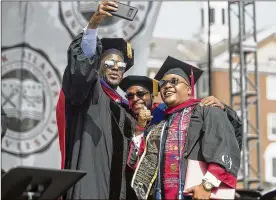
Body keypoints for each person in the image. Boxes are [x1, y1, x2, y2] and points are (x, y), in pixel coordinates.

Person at [56, 1, 137, 199]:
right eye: (109, 62)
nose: (116, 67)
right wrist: (94, 23)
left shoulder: (126, 108)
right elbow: (83, 70)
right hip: (92, 186)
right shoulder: (90, 93)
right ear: (98, 66)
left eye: (120, 64)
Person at [130, 56, 241, 200]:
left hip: (197, 194)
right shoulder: (159, 123)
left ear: (189, 89)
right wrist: (140, 129)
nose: (167, 86)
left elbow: (224, 147)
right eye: (163, 83)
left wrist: (207, 185)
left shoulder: (206, 110)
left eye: (174, 81)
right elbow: (137, 162)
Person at [119, 75, 242, 171]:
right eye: (130, 96)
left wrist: (223, 108)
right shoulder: (123, 117)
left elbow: (226, 135)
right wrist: (140, 126)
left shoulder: (164, 112)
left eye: (140, 94)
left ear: (151, 96)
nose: (135, 99)